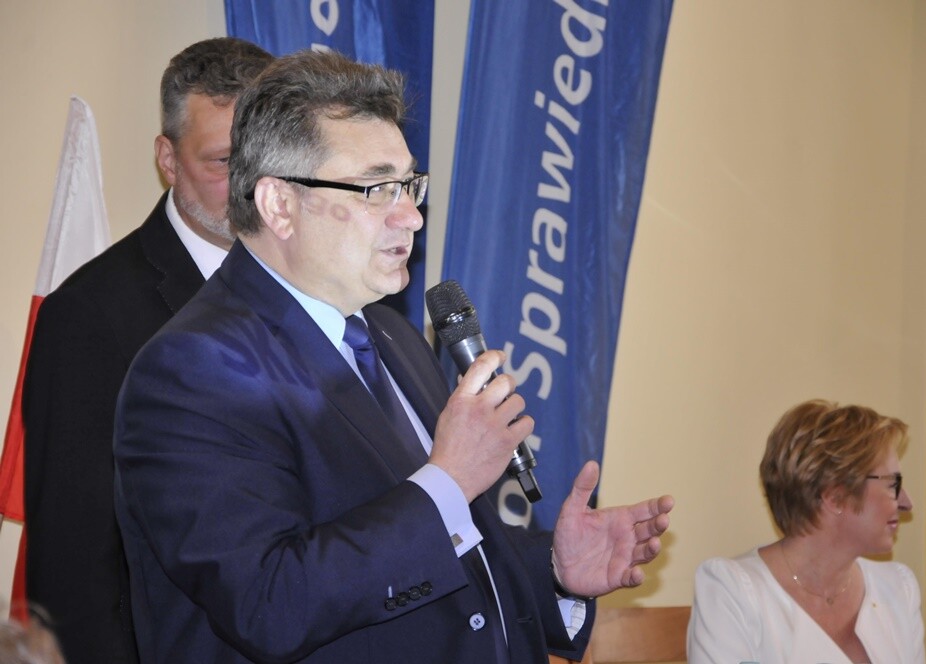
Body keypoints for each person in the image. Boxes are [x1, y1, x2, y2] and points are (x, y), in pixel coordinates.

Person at [113, 49, 675, 664]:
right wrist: (450, 478)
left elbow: (444, 551)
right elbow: (270, 603)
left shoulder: (391, 335)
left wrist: (555, 569)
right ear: (278, 205)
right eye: (376, 188)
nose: (410, 216)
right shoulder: (193, 370)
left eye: (409, 185)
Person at [22, 38, 273, 663]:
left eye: (264, 158)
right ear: (167, 159)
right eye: (223, 162)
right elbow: (74, 569)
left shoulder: (323, 286)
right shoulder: (89, 316)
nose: (250, 188)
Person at [687, 399, 925, 663]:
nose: (906, 503)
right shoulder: (734, 592)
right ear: (834, 497)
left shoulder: (898, 588)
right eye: (892, 484)